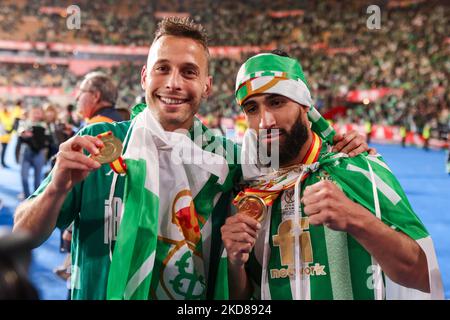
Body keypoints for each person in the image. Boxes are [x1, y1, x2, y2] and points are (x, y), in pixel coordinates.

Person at [14, 18, 370, 300]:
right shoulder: (97, 145)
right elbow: (24, 235)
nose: (173, 83)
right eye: (162, 69)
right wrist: (57, 187)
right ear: (144, 76)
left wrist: (337, 145)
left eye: (188, 72)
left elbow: (294, 162)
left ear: (207, 86)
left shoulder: (231, 161)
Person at [221, 52, 444, 300]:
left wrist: (356, 219)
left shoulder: (358, 168)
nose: (266, 121)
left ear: (304, 104)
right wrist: (234, 262)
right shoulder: (250, 192)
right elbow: (244, 296)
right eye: (252, 108)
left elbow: (426, 275)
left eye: (277, 102)